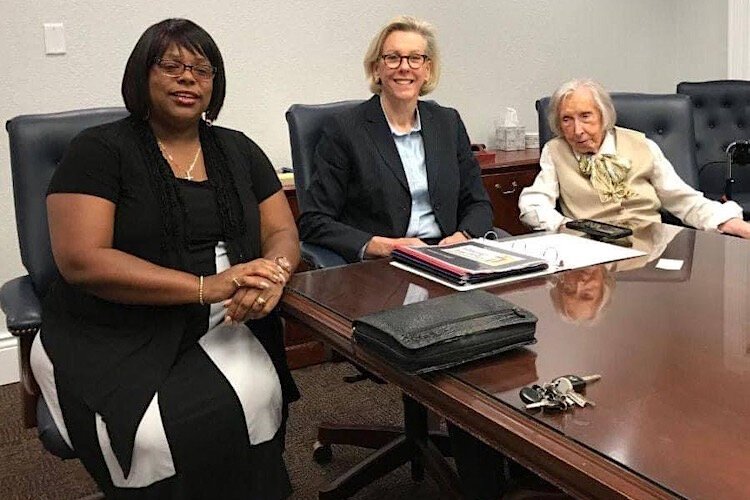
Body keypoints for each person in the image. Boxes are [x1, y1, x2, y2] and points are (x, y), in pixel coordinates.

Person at [30, 19, 300, 499]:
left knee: (259, 406)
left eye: (201, 68)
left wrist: (274, 274)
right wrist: (206, 286)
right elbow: (81, 260)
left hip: (227, 318)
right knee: (152, 437)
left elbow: (281, 230)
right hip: (112, 322)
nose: (188, 77)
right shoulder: (98, 150)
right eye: (171, 65)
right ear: (142, 75)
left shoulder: (239, 149)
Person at [297, 15, 494, 263]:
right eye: (392, 58)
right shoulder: (345, 129)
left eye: (415, 58)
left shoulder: (448, 122)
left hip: (448, 256)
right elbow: (314, 221)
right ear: (376, 69)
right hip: (384, 262)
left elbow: (478, 203)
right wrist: (380, 246)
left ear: (427, 70)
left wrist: (463, 237)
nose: (404, 67)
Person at [518, 78, 750, 239]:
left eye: (585, 116)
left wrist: (733, 224)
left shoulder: (643, 145)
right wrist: (563, 226)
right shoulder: (556, 151)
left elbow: (683, 200)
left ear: (604, 115)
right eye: (567, 119)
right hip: (590, 251)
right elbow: (533, 203)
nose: (577, 130)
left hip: (650, 246)